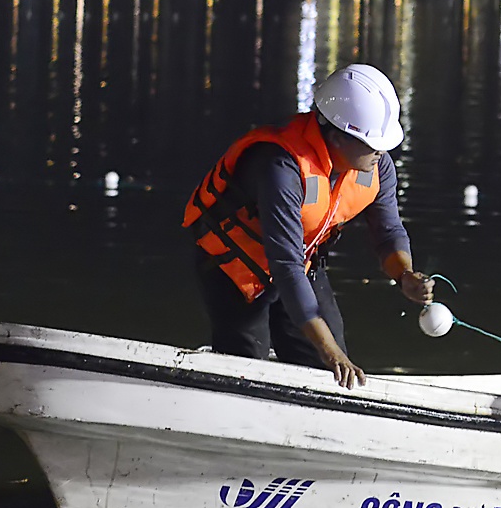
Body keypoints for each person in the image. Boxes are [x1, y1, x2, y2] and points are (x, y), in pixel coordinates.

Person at [183, 64, 433, 389]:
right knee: (246, 368)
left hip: (300, 267)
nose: (381, 151)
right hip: (235, 270)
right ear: (336, 137)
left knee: (329, 369)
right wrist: (331, 353)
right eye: (371, 142)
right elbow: (285, 264)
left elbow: (388, 231)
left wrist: (405, 275)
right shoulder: (280, 166)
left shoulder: (377, 166)